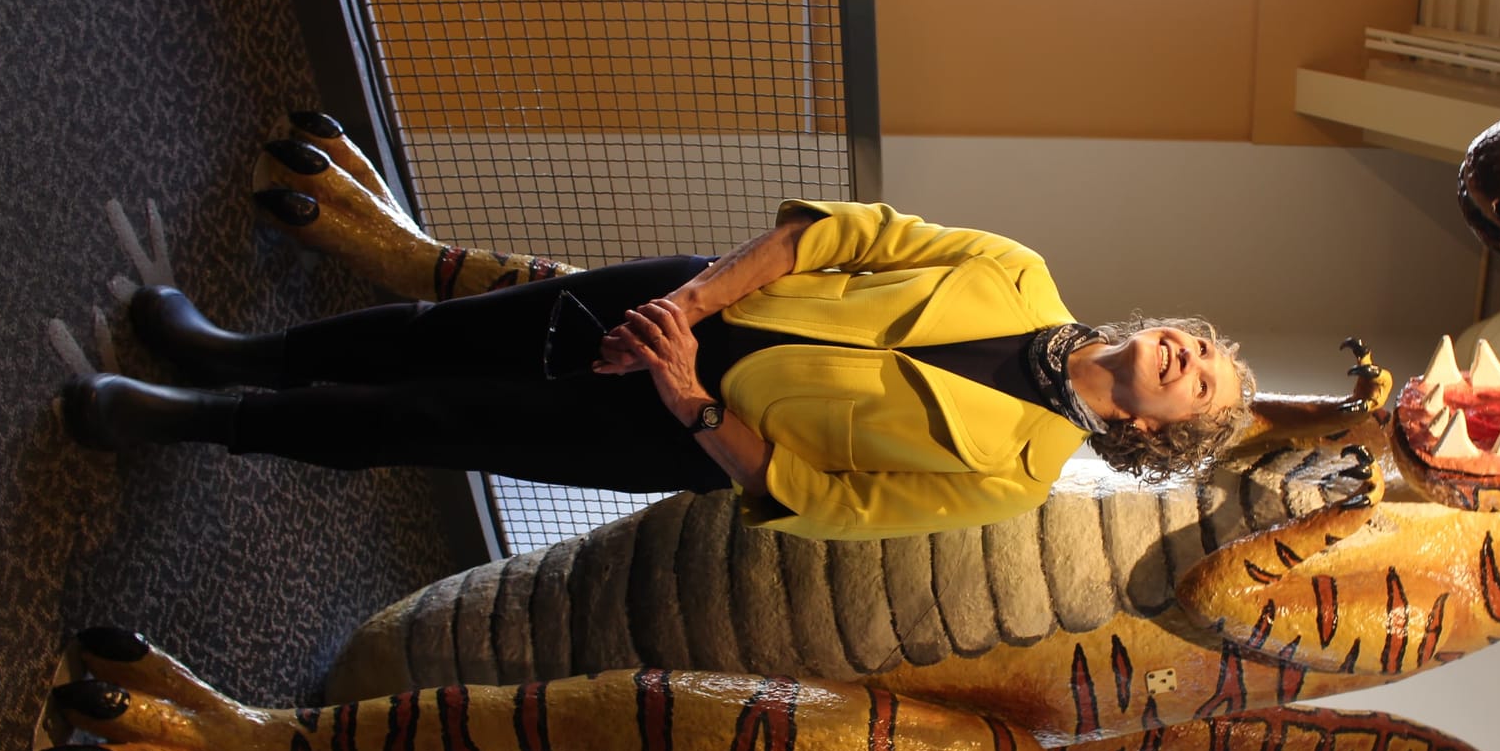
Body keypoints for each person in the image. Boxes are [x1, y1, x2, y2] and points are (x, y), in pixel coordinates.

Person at [62, 199, 1254, 541]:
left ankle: (185, 416)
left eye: (1197, 384)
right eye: (1197, 345)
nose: (1185, 358)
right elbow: (834, 234)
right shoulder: (1018, 266)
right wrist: (680, 305)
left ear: (1151, 437)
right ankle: (225, 348)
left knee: (422, 417)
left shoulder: (1012, 476)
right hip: (689, 299)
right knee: (435, 335)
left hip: (673, 425)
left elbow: (818, 503)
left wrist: (682, 389)